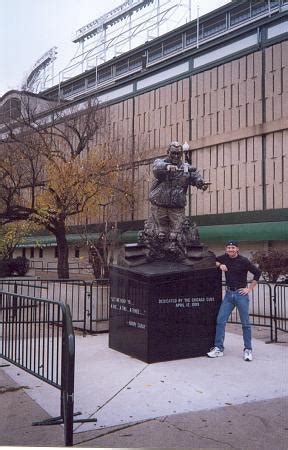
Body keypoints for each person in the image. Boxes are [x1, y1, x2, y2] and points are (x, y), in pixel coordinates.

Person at [207, 240, 261, 361]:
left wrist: (249, 289)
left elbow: (257, 273)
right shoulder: (224, 258)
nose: (231, 250)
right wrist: (219, 264)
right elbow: (211, 259)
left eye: (233, 247)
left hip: (241, 295)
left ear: (237, 249)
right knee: (220, 321)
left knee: (245, 324)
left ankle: (248, 350)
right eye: (229, 248)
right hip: (228, 295)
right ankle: (218, 348)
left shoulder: (244, 261)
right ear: (226, 249)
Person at [149, 141, 209, 242]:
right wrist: (167, 167)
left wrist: (200, 183)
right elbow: (156, 168)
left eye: (178, 154)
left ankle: (176, 250)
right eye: (173, 153)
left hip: (177, 206)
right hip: (159, 204)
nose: (176, 156)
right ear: (168, 152)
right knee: (160, 232)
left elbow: (196, 176)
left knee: (175, 234)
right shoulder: (160, 162)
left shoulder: (186, 167)